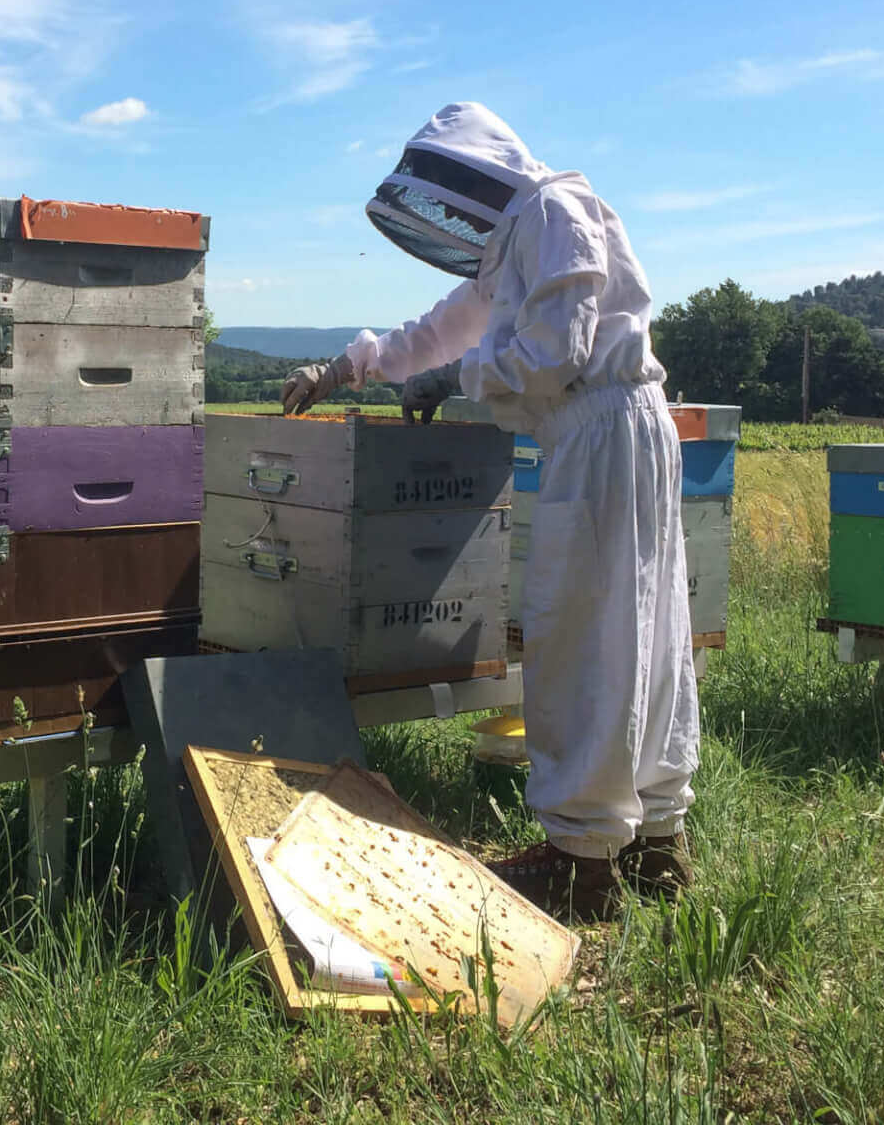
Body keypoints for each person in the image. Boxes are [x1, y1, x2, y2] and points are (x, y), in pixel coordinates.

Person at [282, 102, 698, 921]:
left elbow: (554, 355)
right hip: (610, 430)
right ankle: (654, 843)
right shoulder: (518, 241)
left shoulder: (554, 208)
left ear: (474, 174)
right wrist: (342, 369)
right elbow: (438, 333)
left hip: (602, 426)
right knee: (638, 632)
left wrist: (456, 380)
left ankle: (583, 862)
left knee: (584, 633)